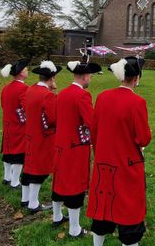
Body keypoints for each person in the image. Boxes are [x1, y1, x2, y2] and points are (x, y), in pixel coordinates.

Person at [87, 57, 151, 246]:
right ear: (136, 78)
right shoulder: (137, 102)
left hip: (104, 160)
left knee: (103, 206)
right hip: (127, 164)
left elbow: (94, 130)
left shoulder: (102, 96)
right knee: (129, 210)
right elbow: (143, 138)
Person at [51, 60, 101, 237]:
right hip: (76, 147)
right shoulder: (83, 96)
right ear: (85, 76)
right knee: (75, 186)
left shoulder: (62, 93)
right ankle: (74, 229)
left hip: (60, 144)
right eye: (91, 77)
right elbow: (91, 122)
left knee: (58, 181)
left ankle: (56, 216)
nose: (91, 80)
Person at [21, 60, 61, 213]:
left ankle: (26, 199)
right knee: (40, 169)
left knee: (29, 166)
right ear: (51, 79)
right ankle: (33, 203)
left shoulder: (30, 90)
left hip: (30, 133)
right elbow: (53, 119)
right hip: (43, 136)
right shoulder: (47, 95)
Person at [0, 58, 30, 189]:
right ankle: (15, 181)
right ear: (21, 73)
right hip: (19, 125)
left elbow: (3, 105)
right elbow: (27, 107)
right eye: (26, 69)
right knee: (18, 154)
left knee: (7, 152)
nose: (27, 71)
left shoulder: (5, 88)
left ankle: (7, 177)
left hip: (8, 123)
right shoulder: (24, 88)